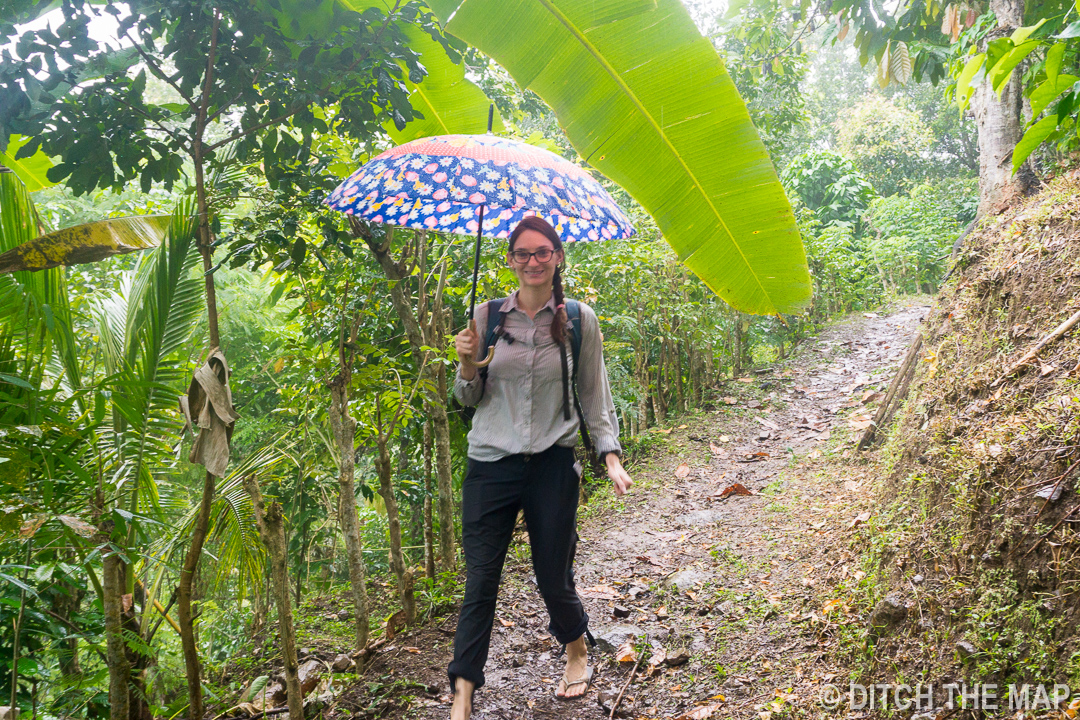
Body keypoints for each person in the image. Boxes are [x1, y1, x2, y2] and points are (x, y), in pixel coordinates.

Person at [448, 216, 633, 719]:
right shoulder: (485, 318)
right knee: (481, 580)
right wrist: (467, 363)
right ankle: (462, 693)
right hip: (490, 462)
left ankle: (576, 647)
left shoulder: (577, 319)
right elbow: (465, 398)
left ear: (557, 258)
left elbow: (595, 394)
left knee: (553, 574)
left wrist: (609, 454)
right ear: (509, 259)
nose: (533, 262)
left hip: (552, 462)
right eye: (523, 253)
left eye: (542, 252)